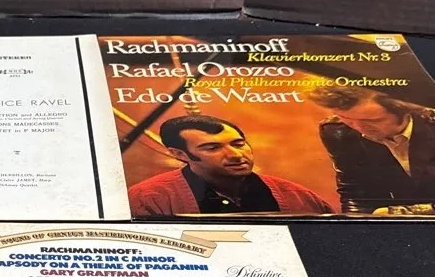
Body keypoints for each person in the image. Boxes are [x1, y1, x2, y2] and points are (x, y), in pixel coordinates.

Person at [129, 115, 336, 216]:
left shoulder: (298, 196)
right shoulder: (148, 199)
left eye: (238, 144)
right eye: (213, 148)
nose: (236, 155)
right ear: (179, 154)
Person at [308, 85, 435, 214]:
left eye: (373, 120)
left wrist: (399, 212)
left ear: (406, 110)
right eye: (346, 118)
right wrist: (362, 224)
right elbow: (357, 195)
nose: (358, 127)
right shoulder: (337, 131)